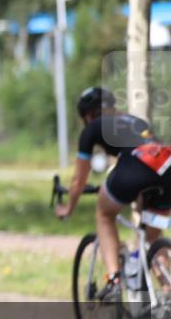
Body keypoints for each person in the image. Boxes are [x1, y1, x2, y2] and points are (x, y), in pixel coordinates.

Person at [55, 86, 171, 300]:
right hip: (166, 168)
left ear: (88, 115)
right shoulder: (135, 121)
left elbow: (79, 179)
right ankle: (167, 289)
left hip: (135, 168)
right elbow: (148, 159)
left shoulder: (92, 128)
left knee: (104, 213)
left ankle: (113, 280)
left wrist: (68, 207)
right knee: (152, 238)